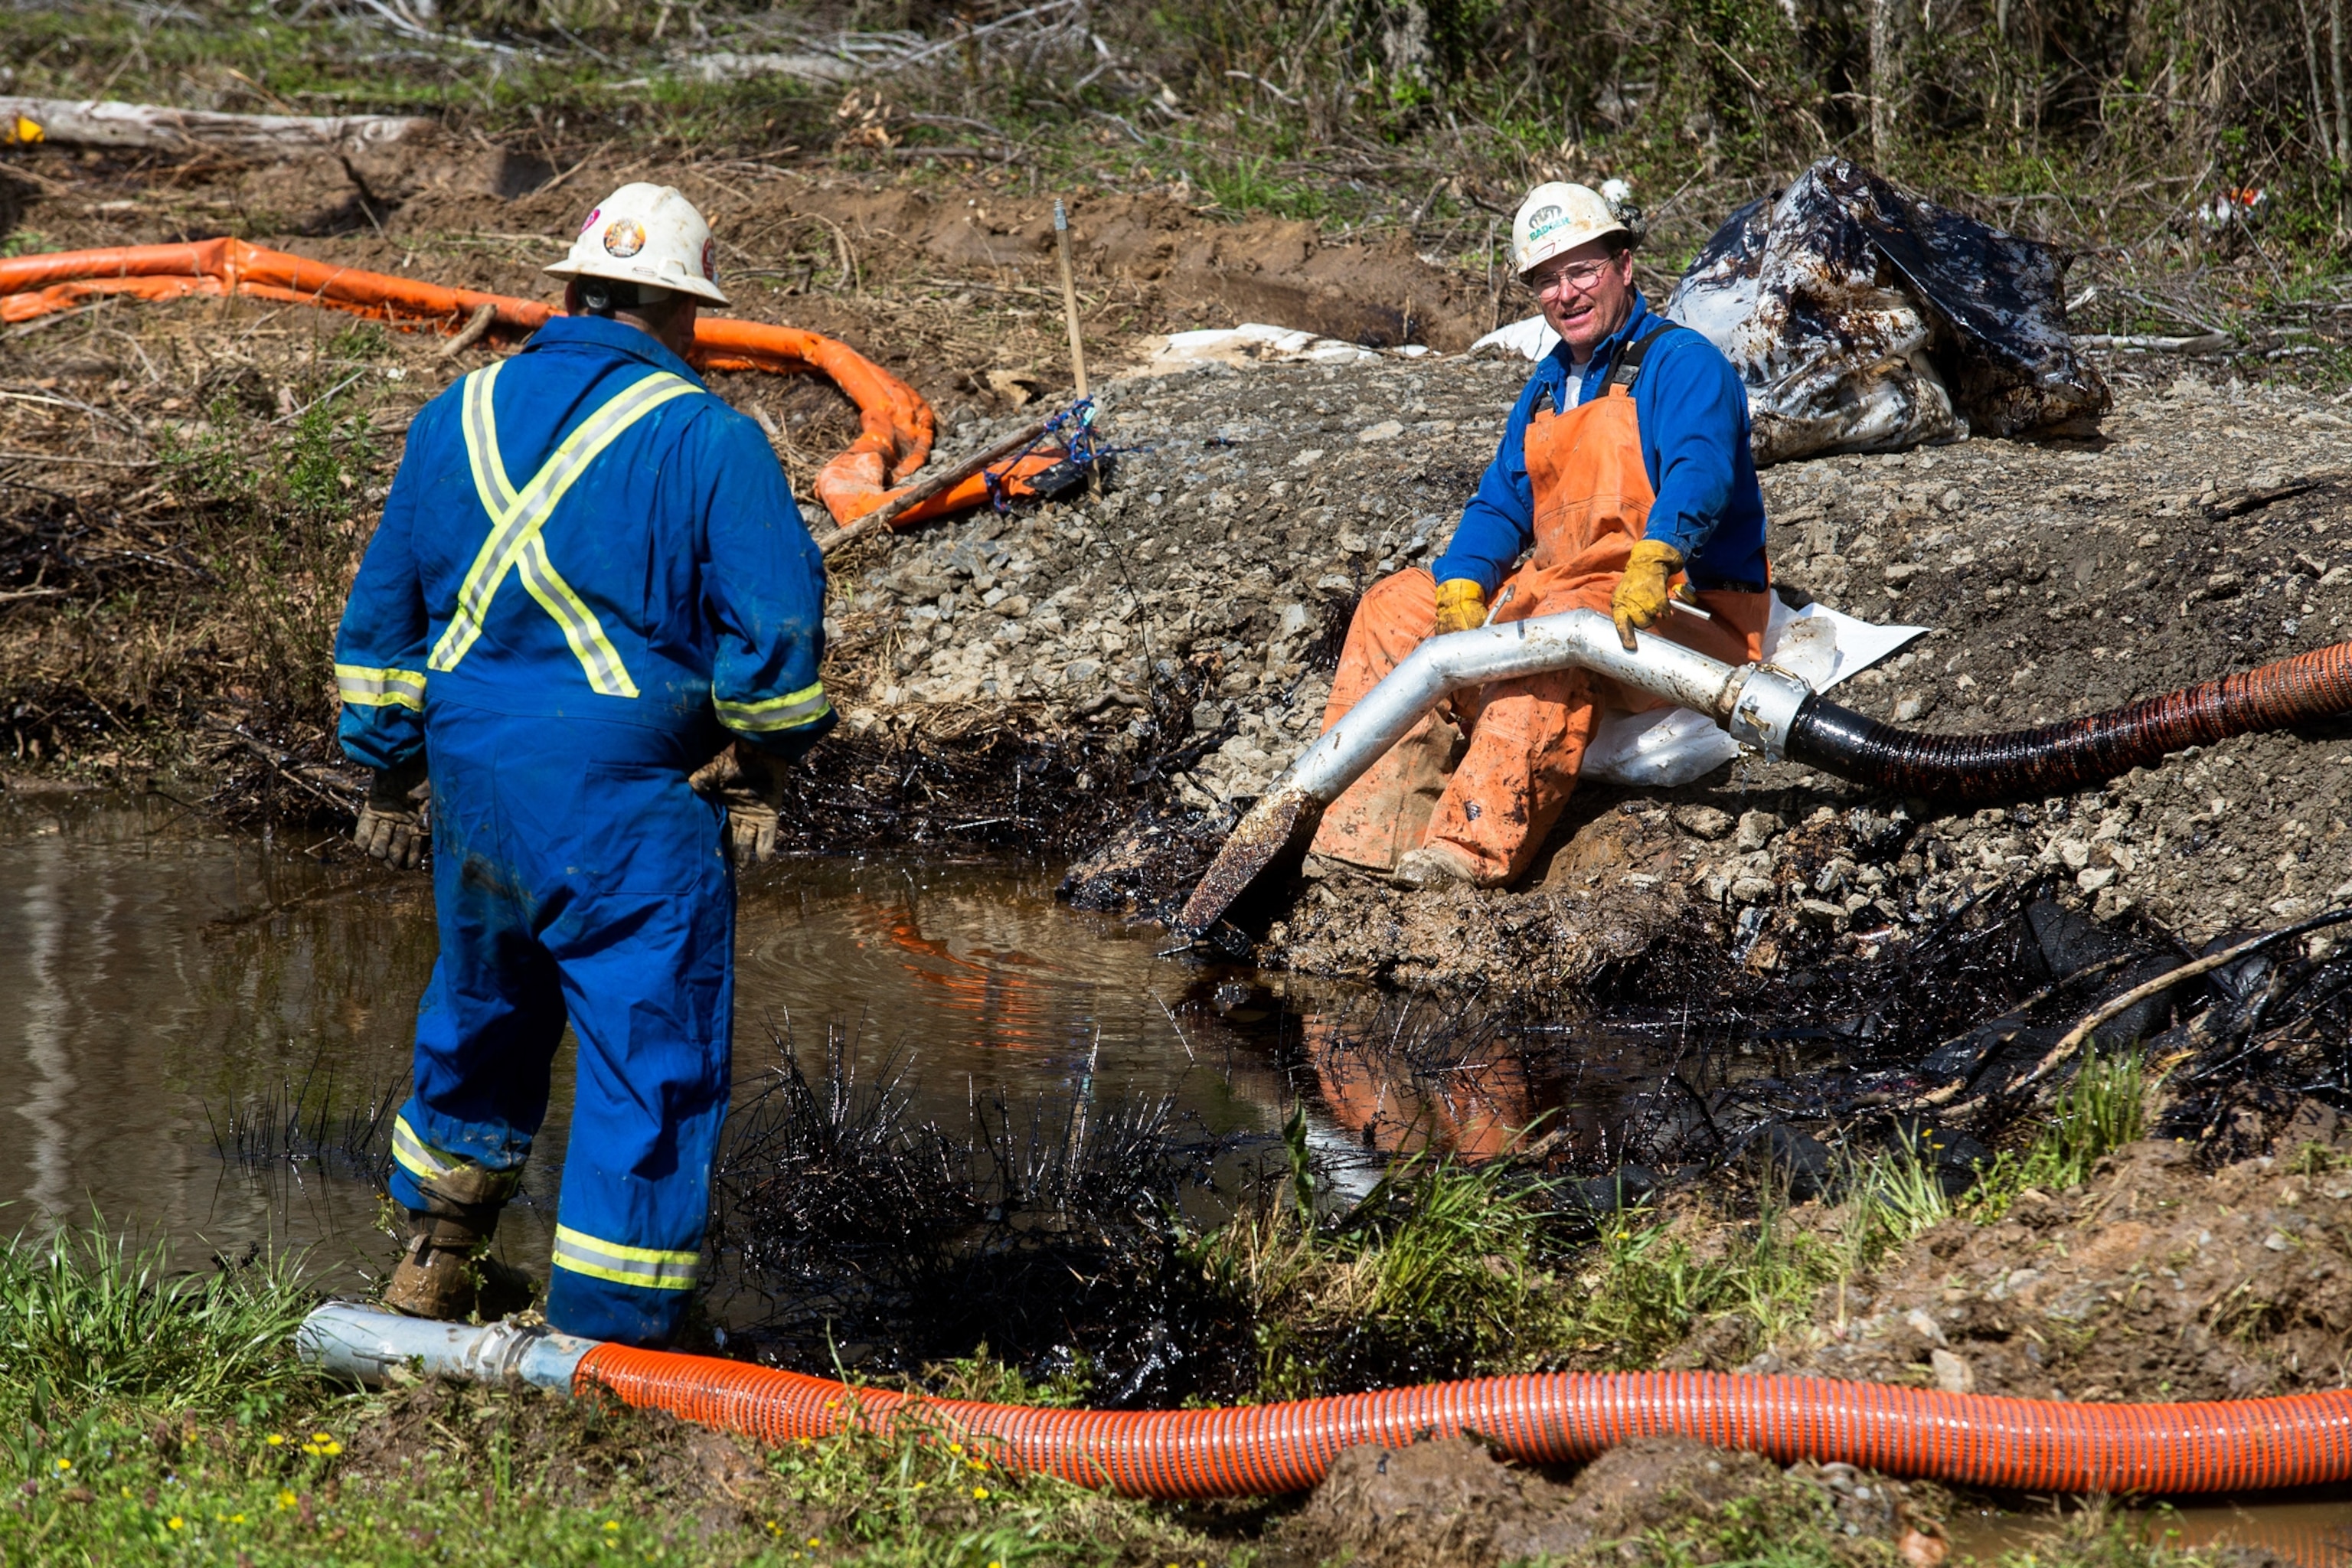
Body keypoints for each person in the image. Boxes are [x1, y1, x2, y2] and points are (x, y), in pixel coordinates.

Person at [332, 183, 835, 1347]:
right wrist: (765, 770)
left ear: (567, 292)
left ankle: (433, 1259)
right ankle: (615, 1335)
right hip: (622, 805)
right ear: (683, 312)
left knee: (479, 1013)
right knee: (646, 1051)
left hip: (472, 792)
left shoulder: (452, 415)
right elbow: (775, 641)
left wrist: (384, 772)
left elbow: (384, 620)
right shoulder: (711, 438)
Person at [1307, 181, 1770, 890]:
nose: (1567, 294)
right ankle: (1353, 839)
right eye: (1547, 280)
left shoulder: (1685, 363)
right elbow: (1501, 501)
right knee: (1394, 605)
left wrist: (1659, 552)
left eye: (1582, 270)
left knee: (1551, 629)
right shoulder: (1551, 381)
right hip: (1568, 587)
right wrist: (1464, 576)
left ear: (1624, 265)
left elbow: (1700, 472)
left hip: (1678, 609)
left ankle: (1464, 856)